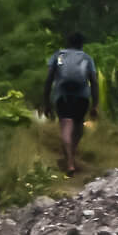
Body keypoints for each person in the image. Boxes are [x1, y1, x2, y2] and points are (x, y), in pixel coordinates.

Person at [43, 33, 98, 175]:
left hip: (62, 96)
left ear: (67, 42)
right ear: (81, 44)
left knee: (66, 126)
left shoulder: (58, 56)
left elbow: (49, 79)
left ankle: (70, 162)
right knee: (78, 127)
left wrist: (46, 102)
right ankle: (72, 154)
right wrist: (95, 104)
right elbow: (94, 82)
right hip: (82, 98)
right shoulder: (87, 58)